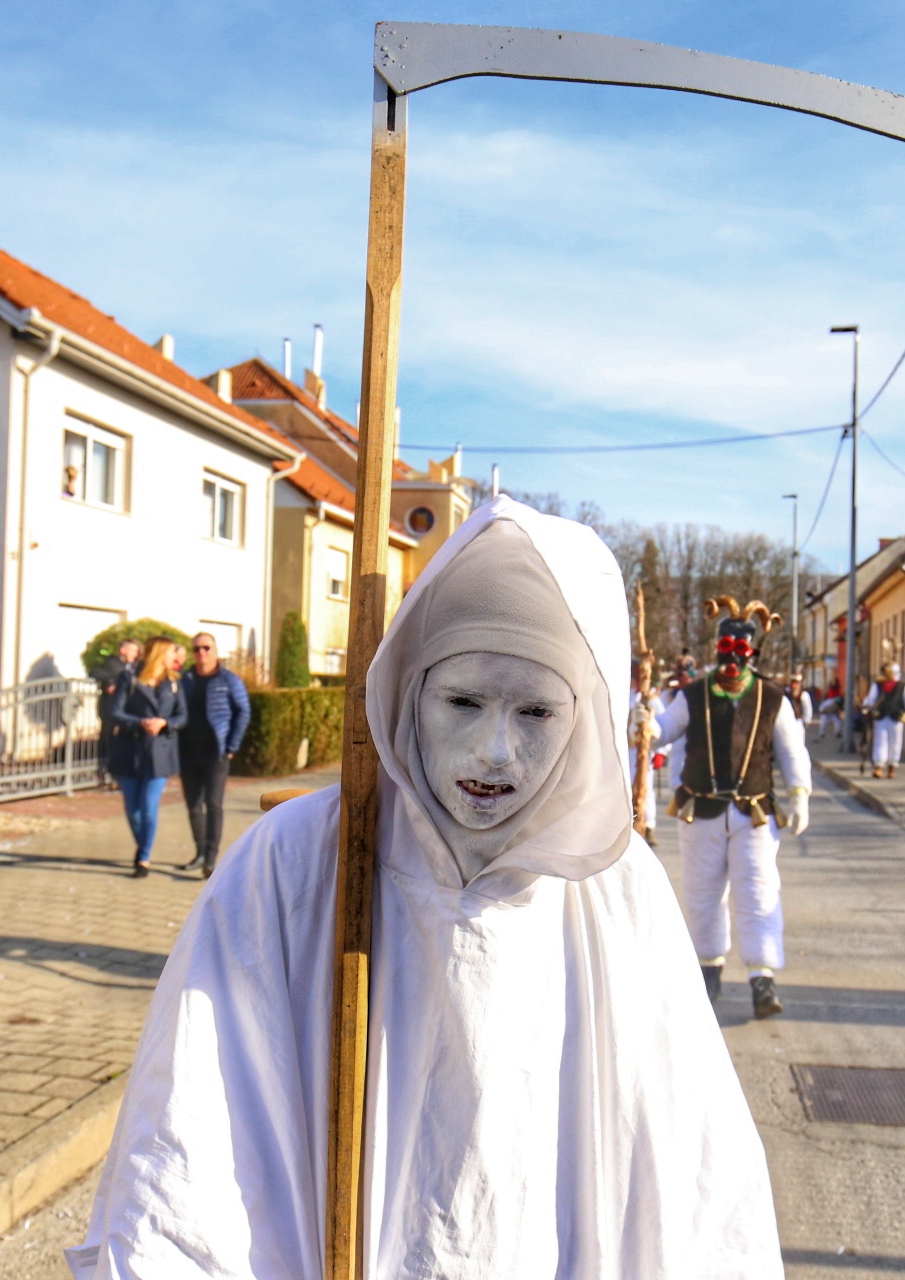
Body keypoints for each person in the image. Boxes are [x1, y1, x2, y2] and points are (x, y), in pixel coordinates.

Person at [73, 497, 781, 1278]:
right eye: (464, 702)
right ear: (412, 694)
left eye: (537, 711)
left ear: (581, 720)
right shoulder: (300, 862)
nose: (496, 752)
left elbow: (696, 1183)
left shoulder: (617, 895)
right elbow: (189, 1139)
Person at [653, 598, 811, 1019]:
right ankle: (709, 968)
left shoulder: (773, 698)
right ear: (716, 649)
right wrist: (644, 724)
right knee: (702, 892)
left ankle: (762, 977)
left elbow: (791, 749)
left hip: (753, 814)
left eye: (740, 651)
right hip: (701, 810)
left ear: (752, 653)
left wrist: (799, 792)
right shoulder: (693, 695)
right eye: (725, 648)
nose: (732, 658)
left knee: (758, 891)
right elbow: (663, 731)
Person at [105, 639, 185, 878]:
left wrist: (165, 723)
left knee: (149, 808)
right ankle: (143, 844)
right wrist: (140, 722)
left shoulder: (172, 682)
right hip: (130, 750)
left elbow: (182, 715)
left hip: (159, 752)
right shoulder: (128, 679)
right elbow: (114, 712)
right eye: (172, 652)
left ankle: (144, 856)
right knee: (133, 810)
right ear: (159, 654)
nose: (177, 657)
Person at [177, 633, 250, 877]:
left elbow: (243, 711)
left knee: (214, 804)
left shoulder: (228, 679)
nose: (202, 653)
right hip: (188, 752)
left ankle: (210, 859)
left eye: (206, 648)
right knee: (193, 806)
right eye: (196, 649)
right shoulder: (185, 679)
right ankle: (199, 853)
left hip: (216, 753)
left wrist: (231, 747)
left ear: (216, 650)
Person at [94, 638, 142, 784]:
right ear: (123, 650)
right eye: (133, 650)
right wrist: (109, 682)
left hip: (125, 710)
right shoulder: (113, 664)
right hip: (110, 708)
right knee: (108, 739)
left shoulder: (133, 666)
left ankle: (116, 772)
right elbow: (94, 671)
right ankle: (105, 771)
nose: (135, 654)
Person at [861, 661, 905, 780]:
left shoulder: (903, 687)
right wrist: (866, 705)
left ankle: (892, 766)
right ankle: (879, 766)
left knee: (895, 742)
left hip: (896, 718)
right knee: (880, 741)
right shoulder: (878, 685)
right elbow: (871, 699)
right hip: (881, 716)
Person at [628, 657, 664, 833]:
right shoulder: (623, 696)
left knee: (645, 787)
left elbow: (663, 725)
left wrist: (661, 753)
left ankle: (648, 824)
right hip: (626, 748)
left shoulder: (652, 700)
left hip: (644, 750)